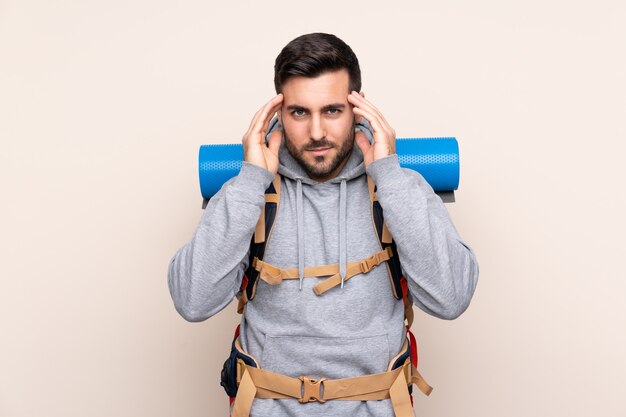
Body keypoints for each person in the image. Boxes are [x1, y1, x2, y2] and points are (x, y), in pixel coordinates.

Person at [168, 32, 479, 417]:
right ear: (278, 114)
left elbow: (451, 300)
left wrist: (390, 175)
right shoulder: (248, 188)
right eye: (300, 112)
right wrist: (250, 180)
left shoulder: (399, 185)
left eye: (332, 110)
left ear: (358, 109)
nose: (316, 132)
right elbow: (192, 303)